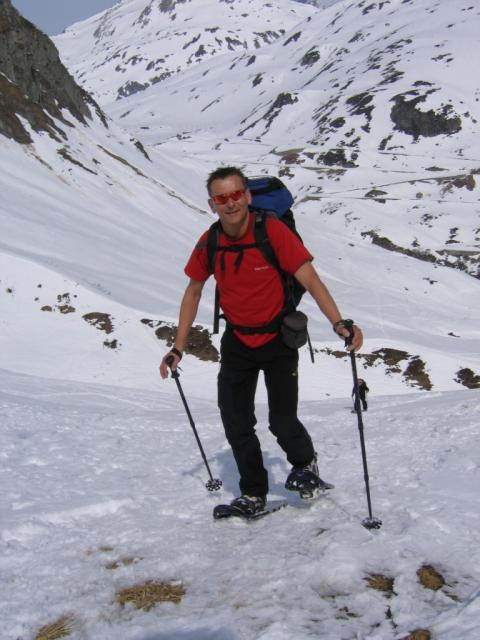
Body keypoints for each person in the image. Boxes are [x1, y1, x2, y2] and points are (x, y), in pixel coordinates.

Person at [160, 166, 363, 516]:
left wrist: (339, 323)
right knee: (236, 421)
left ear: (248, 196)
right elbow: (193, 291)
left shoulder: (272, 231)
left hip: (278, 339)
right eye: (221, 198)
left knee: (282, 420)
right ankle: (253, 493)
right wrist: (178, 347)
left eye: (236, 194)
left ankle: (305, 464)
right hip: (238, 341)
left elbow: (310, 279)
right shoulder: (211, 241)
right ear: (212, 204)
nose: (230, 203)